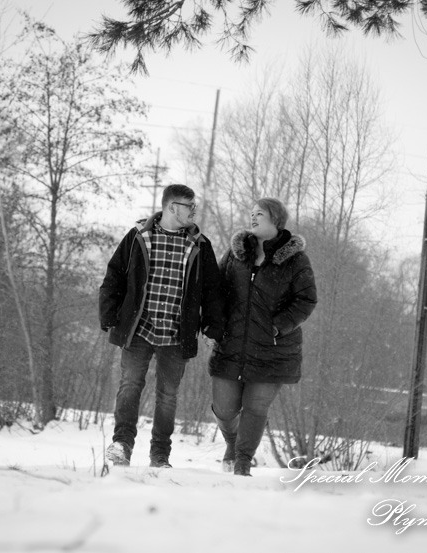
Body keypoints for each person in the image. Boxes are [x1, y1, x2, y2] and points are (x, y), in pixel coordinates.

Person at [99, 184, 225, 468]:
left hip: (177, 334)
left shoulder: (200, 245)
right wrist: (108, 315)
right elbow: (114, 276)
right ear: (171, 207)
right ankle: (121, 445)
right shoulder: (137, 237)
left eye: (194, 207)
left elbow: (212, 290)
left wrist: (212, 327)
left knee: (167, 396)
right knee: (130, 385)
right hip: (138, 329)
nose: (194, 211)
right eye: (188, 206)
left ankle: (160, 456)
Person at [208, 198, 317, 476]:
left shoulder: (295, 260)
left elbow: (306, 299)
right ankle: (233, 444)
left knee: (255, 407)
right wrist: (213, 327)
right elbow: (217, 291)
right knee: (224, 407)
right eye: (252, 213)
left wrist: (278, 326)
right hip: (231, 344)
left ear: (276, 220)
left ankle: (243, 461)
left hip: (274, 350)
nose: (253, 218)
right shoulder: (236, 253)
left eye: (260, 214)